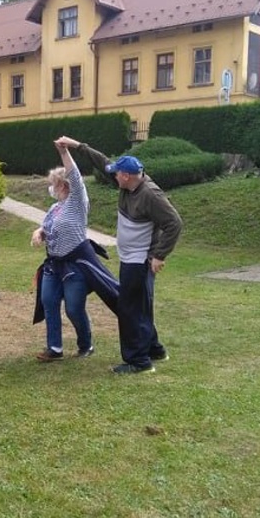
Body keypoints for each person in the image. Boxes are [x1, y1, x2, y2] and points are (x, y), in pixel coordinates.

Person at [60, 137, 183, 375]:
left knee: (129, 308)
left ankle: (139, 361)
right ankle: (154, 349)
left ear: (126, 176)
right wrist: (75, 146)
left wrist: (159, 255)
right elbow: (102, 162)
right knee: (140, 306)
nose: (113, 175)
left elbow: (174, 223)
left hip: (140, 261)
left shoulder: (150, 195)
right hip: (130, 259)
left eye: (117, 174)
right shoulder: (128, 183)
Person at [31, 140, 121, 361]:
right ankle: (54, 348)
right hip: (54, 264)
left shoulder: (77, 201)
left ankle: (85, 344)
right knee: (48, 300)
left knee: (73, 308)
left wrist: (64, 152)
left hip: (76, 265)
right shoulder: (55, 207)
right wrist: (39, 232)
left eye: (54, 184)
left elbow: (76, 176)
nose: (51, 188)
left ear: (63, 185)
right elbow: (47, 226)